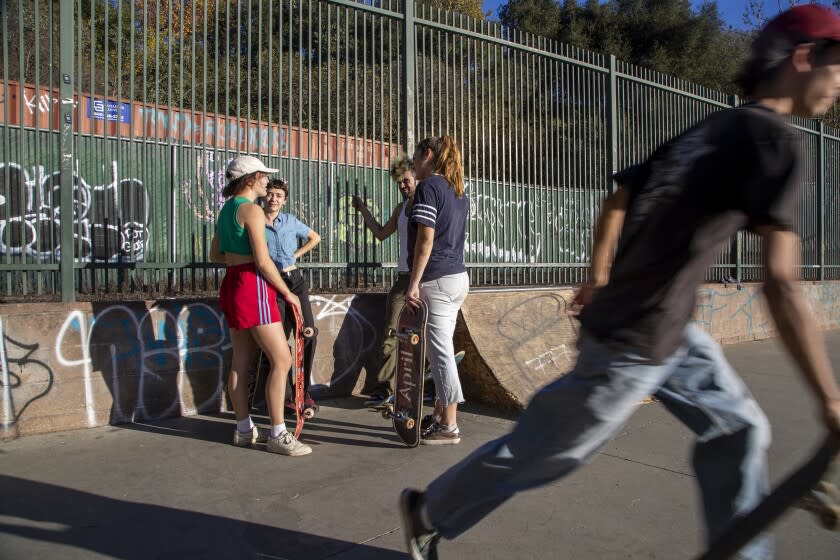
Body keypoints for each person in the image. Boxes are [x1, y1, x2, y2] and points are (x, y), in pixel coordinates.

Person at [399, 5, 840, 559]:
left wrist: (598, 274)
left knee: (738, 427)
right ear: (804, 57)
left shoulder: (716, 128)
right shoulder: (775, 142)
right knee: (551, 450)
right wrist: (829, 399)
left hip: (667, 327)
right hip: (635, 337)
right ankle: (429, 512)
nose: (839, 82)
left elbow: (618, 197)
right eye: (838, 65)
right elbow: (780, 283)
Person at [209, 155, 312, 457]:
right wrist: (289, 294)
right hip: (252, 285)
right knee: (282, 360)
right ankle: (278, 433)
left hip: (232, 282)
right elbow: (265, 262)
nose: (268, 181)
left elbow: (216, 253)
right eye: (264, 176)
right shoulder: (251, 210)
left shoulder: (227, 210)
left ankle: (243, 430)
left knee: (241, 361)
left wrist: (236, 258)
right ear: (251, 178)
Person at [405, 135, 470, 445]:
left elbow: (425, 240)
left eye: (416, 157)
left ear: (427, 155)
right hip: (456, 278)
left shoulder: (429, 187)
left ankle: (450, 426)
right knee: (438, 350)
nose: (413, 164)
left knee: (441, 353)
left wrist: (413, 283)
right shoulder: (458, 192)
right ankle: (441, 415)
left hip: (436, 280)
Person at [352, 156, 418, 406]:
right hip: (404, 278)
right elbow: (381, 234)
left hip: (429, 277)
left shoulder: (429, 204)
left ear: (417, 177)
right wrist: (363, 211)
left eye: (407, 181)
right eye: (400, 183)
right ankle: (385, 388)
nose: (403, 186)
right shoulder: (400, 210)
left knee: (429, 334)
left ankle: (429, 384)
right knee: (392, 331)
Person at [263, 178, 321, 413]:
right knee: (279, 343)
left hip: (295, 280)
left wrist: (296, 255)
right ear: (264, 196)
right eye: (271, 194)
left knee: (308, 333)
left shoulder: (290, 221)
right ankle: (286, 396)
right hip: (272, 283)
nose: (274, 198)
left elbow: (315, 238)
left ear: (284, 200)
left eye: (278, 195)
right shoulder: (257, 221)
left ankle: (302, 391)